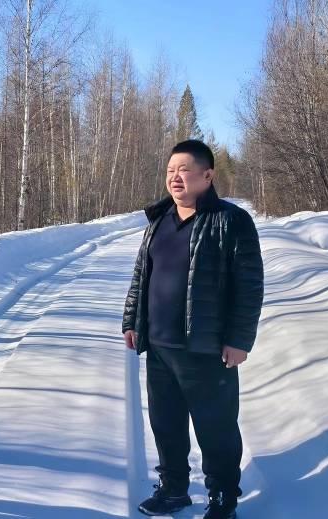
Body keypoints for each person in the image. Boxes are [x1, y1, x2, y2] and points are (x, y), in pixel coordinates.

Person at [122, 139, 264, 519]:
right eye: (170, 171)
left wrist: (239, 340)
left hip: (206, 348)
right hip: (159, 347)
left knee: (215, 427)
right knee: (165, 424)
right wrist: (132, 321)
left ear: (207, 175)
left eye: (184, 170)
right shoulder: (159, 220)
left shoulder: (231, 221)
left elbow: (249, 286)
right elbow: (141, 275)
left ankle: (222, 498)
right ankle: (173, 489)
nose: (175, 178)